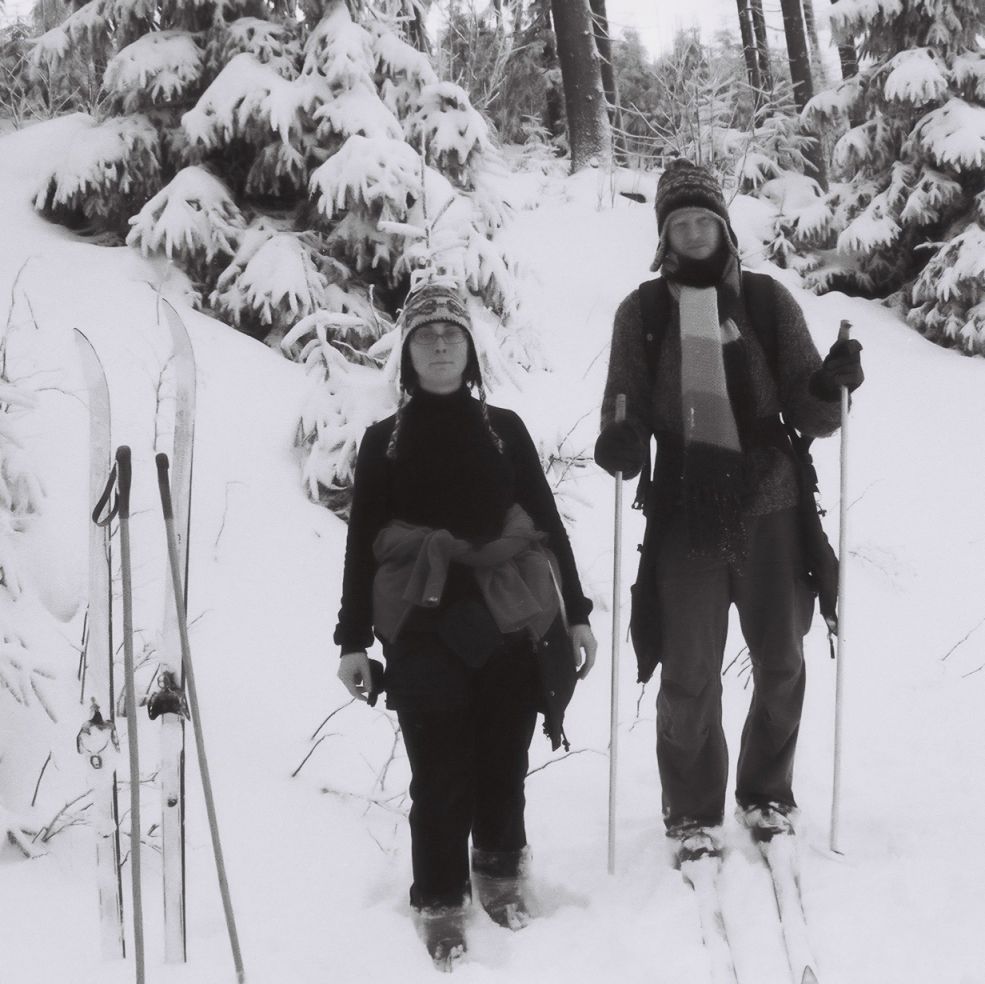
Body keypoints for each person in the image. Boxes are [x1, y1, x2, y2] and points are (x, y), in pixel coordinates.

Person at [594, 159, 863, 865]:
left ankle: (766, 791)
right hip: (685, 507)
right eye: (678, 222)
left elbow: (810, 410)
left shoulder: (767, 301)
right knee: (688, 669)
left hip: (771, 502)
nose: (691, 232)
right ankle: (690, 808)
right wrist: (621, 441)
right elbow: (622, 404)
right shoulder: (642, 313)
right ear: (663, 235)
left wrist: (831, 384)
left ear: (722, 225)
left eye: (702, 219)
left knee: (781, 659)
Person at [335, 282, 597, 971]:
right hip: (420, 623)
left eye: (452, 333)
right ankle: (439, 899)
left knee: (504, 759)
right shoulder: (383, 442)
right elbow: (362, 543)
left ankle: (501, 873)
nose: (440, 345)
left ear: (471, 349)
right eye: (426, 335)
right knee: (439, 772)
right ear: (407, 354)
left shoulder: (503, 430)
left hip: (506, 613)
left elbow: (545, 522)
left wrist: (576, 614)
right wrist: (352, 640)